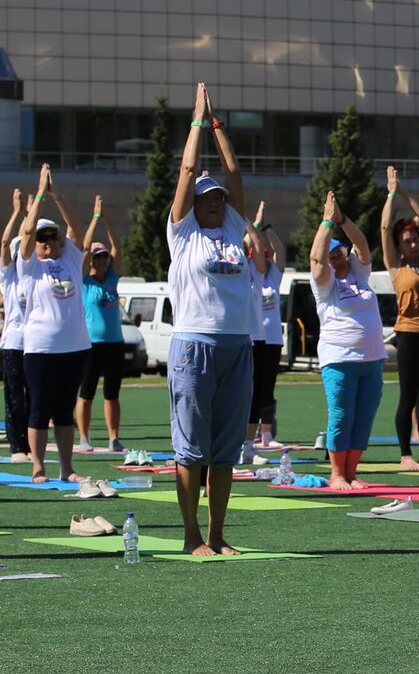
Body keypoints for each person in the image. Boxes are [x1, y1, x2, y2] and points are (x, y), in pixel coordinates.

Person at [165, 83, 262, 557]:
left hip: (235, 346)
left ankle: (218, 534)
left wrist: (219, 124)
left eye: (218, 198)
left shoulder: (229, 226)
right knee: (192, 448)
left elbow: (235, 171)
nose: (214, 202)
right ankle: (191, 537)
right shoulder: (182, 234)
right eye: (206, 198)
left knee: (225, 450)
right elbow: (187, 169)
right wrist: (197, 122)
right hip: (193, 345)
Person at [12, 163, 91, 484]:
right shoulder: (29, 267)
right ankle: (38, 466)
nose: (48, 242)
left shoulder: (70, 259)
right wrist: (40, 196)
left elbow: (76, 227)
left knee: (64, 411)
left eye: (52, 237)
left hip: (74, 347)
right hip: (41, 347)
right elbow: (27, 234)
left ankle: (67, 467)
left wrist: (57, 195)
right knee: (39, 409)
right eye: (43, 237)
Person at [310, 190, 381, 490]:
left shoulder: (359, 275)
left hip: (372, 359)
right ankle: (337, 473)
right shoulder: (325, 285)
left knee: (363, 417)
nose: (337, 259)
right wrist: (327, 223)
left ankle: (351, 474)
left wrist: (342, 219)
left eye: (340, 254)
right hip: (340, 359)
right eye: (332, 256)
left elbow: (362, 245)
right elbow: (315, 257)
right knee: (341, 416)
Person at [381, 168, 419, 471]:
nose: (414, 244)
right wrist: (393, 193)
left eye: (415, 239)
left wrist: (408, 195)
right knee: (408, 396)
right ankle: (406, 454)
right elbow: (383, 228)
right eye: (407, 241)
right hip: (408, 335)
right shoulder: (396, 267)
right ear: (399, 245)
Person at [77, 197, 124, 453]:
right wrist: (94, 219)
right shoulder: (85, 281)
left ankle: (113, 437)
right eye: (99, 256)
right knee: (86, 393)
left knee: (112, 394)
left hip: (114, 344)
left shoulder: (112, 279)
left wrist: (107, 221)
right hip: (91, 344)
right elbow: (83, 249)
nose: (103, 259)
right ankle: (84, 438)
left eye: (105, 255)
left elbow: (118, 246)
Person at [0, 191, 31, 463]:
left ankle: (32, 444)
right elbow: (7, 242)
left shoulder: (34, 275)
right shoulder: (9, 276)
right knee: (15, 397)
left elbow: (28, 239)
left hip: (37, 343)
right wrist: (18, 212)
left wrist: (32, 216)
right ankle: (17, 445)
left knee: (35, 399)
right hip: (14, 343)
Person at [247, 200, 286, 458]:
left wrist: (266, 227)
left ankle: (265, 436)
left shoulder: (272, 274)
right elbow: (252, 243)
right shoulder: (248, 269)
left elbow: (279, 251)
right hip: (251, 339)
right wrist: (254, 225)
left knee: (266, 388)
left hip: (271, 339)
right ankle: (245, 440)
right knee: (250, 389)